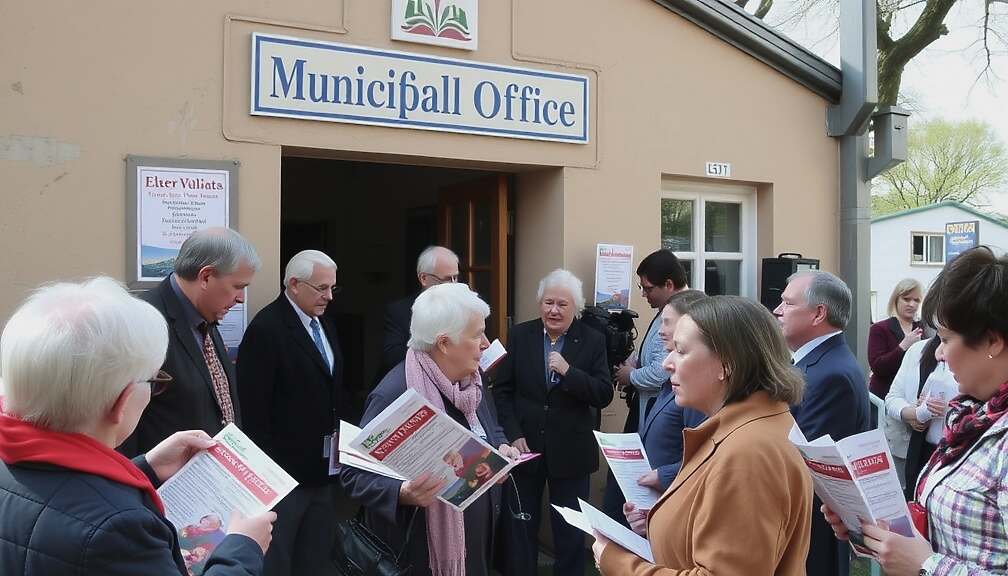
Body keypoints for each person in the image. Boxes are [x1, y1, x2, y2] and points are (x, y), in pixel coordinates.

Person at [0, 277, 275, 575]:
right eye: (154, 381)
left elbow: (61, 493)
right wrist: (242, 549)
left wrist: (145, 468)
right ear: (123, 401)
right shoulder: (122, 529)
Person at [592, 296, 811, 574]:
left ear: (726, 364)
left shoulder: (748, 452)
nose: (667, 363)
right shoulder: (742, 430)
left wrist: (617, 562)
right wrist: (666, 520)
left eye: (681, 351)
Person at [823, 246, 1008, 576]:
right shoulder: (974, 418)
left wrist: (925, 566)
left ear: (993, 341)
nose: (939, 354)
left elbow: (931, 559)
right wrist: (869, 529)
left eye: (946, 339)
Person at [342, 283, 520, 576]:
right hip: (421, 557)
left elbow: (490, 429)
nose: (486, 344)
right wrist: (402, 492)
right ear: (444, 343)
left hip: (475, 551)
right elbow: (353, 474)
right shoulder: (395, 393)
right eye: (477, 334)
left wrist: (500, 449)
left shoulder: (472, 383)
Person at [492, 269, 613, 576]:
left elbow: (603, 393)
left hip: (571, 452)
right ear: (540, 303)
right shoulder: (521, 335)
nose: (554, 310)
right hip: (525, 449)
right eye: (548, 303)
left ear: (576, 308)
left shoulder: (593, 340)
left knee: (570, 533)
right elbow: (502, 391)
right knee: (521, 528)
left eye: (562, 304)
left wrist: (569, 372)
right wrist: (513, 433)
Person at [237, 249, 348, 576]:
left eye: (332, 288)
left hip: (324, 472)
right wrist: (269, 476)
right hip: (283, 478)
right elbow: (254, 411)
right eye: (321, 288)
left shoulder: (325, 324)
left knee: (315, 561)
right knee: (279, 563)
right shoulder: (267, 329)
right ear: (294, 284)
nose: (329, 296)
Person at [121, 227, 260, 457]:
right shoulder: (142, 323)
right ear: (206, 277)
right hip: (165, 478)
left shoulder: (206, 313)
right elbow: (122, 430)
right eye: (238, 286)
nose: (241, 299)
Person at [773, 269, 869, 576]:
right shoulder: (817, 363)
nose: (777, 310)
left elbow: (802, 461)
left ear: (818, 313)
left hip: (812, 531)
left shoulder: (831, 374)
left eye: (788, 303)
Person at [602, 289, 707, 524]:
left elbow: (705, 458)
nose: (660, 330)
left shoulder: (695, 392)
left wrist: (664, 476)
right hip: (653, 504)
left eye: (667, 322)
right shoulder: (672, 385)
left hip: (676, 508)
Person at [614, 249, 688, 432]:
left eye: (648, 288)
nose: (644, 294)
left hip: (664, 413)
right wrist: (636, 360)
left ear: (669, 284)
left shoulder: (684, 313)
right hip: (651, 407)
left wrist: (630, 376)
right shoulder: (667, 308)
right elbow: (656, 351)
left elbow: (661, 373)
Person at [883, 334, 954, 496]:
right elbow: (893, 397)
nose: (940, 354)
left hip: (950, 451)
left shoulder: (970, 356)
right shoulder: (917, 350)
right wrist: (913, 414)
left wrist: (948, 409)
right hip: (919, 448)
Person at [379, 245, 460, 379]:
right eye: (446, 279)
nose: (453, 286)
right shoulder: (399, 311)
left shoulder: (463, 308)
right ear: (423, 278)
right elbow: (392, 357)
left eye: (455, 278)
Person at [869, 279, 924, 398]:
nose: (911, 304)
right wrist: (903, 346)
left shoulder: (923, 329)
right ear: (896, 300)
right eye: (906, 299)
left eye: (916, 300)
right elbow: (878, 367)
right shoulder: (879, 328)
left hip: (913, 398)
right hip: (883, 397)